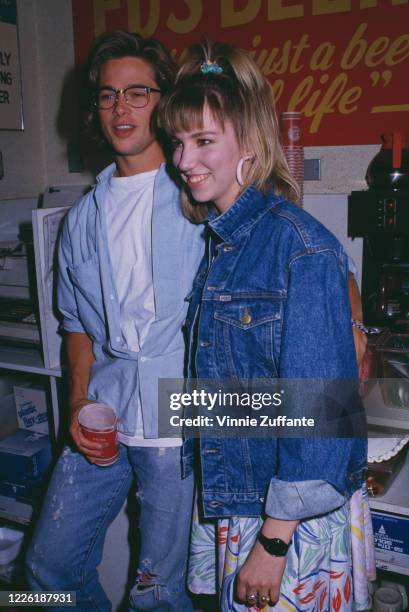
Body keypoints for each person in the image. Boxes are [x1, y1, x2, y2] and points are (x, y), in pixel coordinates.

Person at [158, 40, 375, 611]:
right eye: (179, 142)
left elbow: (325, 414)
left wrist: (272, 544)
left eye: (204, 141)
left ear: (250, 146)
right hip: (248, 493)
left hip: (289, 517)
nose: (183, 161)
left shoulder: (297, 247)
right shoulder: (227, 243)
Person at [25, 31, 204, 611]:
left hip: (179, 416)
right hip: (105, 407)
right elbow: (76, 324)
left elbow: (302, 255)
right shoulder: (82, 216)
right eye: (107, 96)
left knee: (157, 591)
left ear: (165, 100)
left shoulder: (201, 193)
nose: (120, 108)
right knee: (47, 569)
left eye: (137, 92)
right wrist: (77, 403)